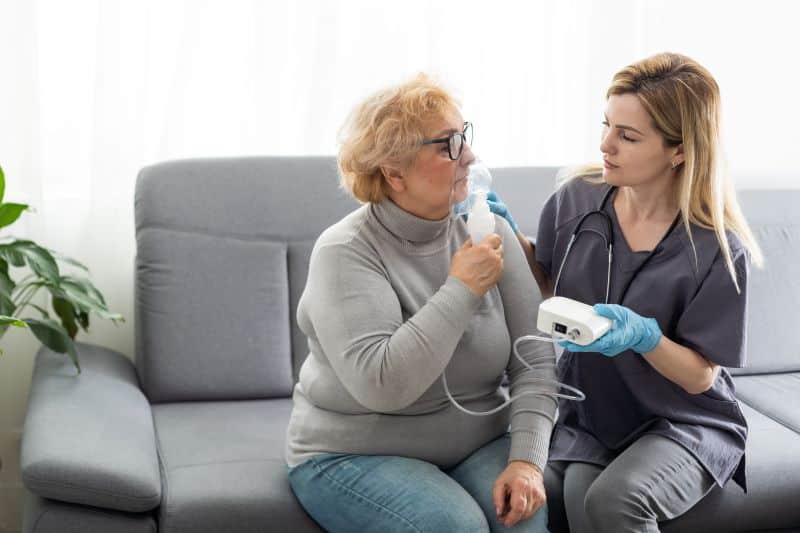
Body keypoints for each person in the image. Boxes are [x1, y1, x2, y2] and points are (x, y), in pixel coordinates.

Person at [490, 52, 763, 532]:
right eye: (606, 125)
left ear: (679, 150)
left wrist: (644, 337)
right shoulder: (576, 199)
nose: (605, 145)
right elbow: (551, 284)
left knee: (615, 502)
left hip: (683, 420)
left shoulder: (716, 247)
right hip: (595, 411)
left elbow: (701, 377)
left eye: (627, 136)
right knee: (573, 499)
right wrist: (513, 241)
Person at [285, 74, 558, 533]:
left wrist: (527, 461)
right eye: (447, 145)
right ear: (394, 172)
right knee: (454, 526)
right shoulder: (345, 252)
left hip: (476, 444)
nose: (469, 156)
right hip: (355, 453)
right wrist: (462, 289)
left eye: (464, 136)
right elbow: (383, 385)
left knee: (523, 524)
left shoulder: (488, 229)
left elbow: (536, 360)